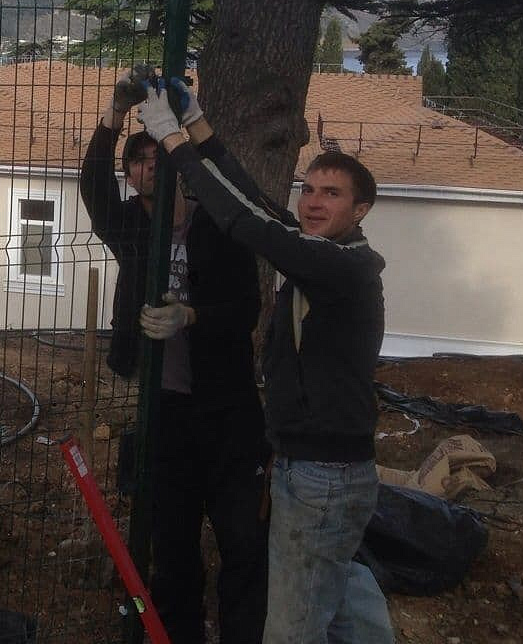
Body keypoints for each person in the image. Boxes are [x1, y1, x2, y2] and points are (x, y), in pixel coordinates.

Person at [137, 80, 395, 644]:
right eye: (309, 189)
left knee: (292, 627)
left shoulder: (339, 267)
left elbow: (245, 222)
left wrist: (172, 141)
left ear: (360, 210)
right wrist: (199, 127)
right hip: (321, 468)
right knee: (333, 601)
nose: (313, 202)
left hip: (324, 478)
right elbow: (259, 204)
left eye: (332, 194)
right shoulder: (327, 251)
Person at [80, 72, 268, 644]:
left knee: (242, 541)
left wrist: (193, 316)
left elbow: (247, 309)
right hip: (165, 407)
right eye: (135, 162)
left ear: (176, 167)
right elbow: (92, 186)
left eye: (155, 158)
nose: (146, 169)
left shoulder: (219, 225)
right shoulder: (131, 228)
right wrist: (114, 114)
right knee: (174, 543)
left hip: (227, 407)